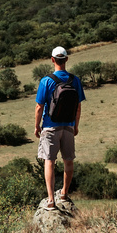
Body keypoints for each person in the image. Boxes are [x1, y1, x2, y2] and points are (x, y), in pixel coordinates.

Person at [34, 46, 85, 211]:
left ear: (52, 60)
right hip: (68, 126)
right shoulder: (74, 80)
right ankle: (64, 193)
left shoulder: (46, 81)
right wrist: (75, 126)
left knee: (49, 161)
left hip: (50, 127)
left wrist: (37, 126)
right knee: (68, 161)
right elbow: (78, 107)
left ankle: (50, 200)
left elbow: (39, 107)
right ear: (67, 60)